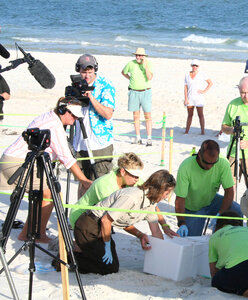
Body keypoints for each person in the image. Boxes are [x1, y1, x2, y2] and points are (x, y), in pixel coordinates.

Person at [0, 97, 92, 243]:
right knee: (50, 193)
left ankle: (31, 232)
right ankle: (36, 234)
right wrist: (84, 180)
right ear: (63, 111)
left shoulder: (50, 117)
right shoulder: (54, 124)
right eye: (73, 115)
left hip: (14, 159)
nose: (75, 119)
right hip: (18, 162)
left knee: (46, 192)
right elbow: (66, 157)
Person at [73, 169, 175, 275]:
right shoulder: (132, 197)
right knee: (108, 269)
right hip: (89, 225)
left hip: (102, 227)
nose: (166, 197)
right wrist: (107, 245)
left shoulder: (151, 202)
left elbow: (156, 231)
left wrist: (162, 257)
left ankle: (82, 250)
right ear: (158, 189)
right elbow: (106, 220)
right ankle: (69, 258)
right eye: (166, 193)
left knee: (112, 265)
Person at [69, 152, 177, 237]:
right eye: (135, 176)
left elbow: (151, 202)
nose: (137, 179)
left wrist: (164, 225)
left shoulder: (134, 179)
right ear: (123, 172)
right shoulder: (106, 185)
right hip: (81, 217)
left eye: (138, 176)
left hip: (101, 219)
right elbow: (116, 218)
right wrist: (139, 235)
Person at [175, 139, 242, 237]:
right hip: (193, 208)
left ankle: (230, 240)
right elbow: (179, 199)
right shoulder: (186, 167)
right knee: (192, 239)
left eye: (213, 163)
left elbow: (229, 191)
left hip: (211, 201)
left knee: (237, 210)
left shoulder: (223, 163)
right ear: (199, 155)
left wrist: (221, 214)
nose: (209, 166)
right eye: (206, 162)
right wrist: (181, 223)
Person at [72, 54, 116, 197]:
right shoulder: (76, 85)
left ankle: (97, 217)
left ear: (95, 70)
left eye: (90, 72)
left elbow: (108, 114)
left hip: (99, 144)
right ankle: (80, 217)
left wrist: (91, 98)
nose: (86, 76)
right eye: (84, 72)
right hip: (79, 143)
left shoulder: (105, 86)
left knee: (100, 185)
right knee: (83, 183)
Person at [122, 48, 154, 146]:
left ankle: (149, 138)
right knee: (136, 115)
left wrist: (145, 67)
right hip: (134, 92)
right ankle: (138, 138)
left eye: (140, 55)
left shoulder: (148, 63)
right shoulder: (131, 63)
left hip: (145, 92)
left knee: (147, 116)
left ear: (144, 56)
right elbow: (123, 72)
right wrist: (130, 78)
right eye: (137, 55)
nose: (138, 57)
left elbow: (150, 77)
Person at [184, 59, 213, 135]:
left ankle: (202, 131)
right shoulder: (187, 75)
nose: (195, 67)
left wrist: (204, 91)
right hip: (190, 98)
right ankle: (186, 131)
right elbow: (185, 87)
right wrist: (186, 98)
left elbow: (210, 83)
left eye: (196, 65)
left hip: (199, 98)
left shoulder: (202, 74)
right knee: (190, 115)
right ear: (191, 66)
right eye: (193, 65)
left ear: (198, 66)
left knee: (200, 115)